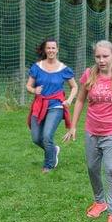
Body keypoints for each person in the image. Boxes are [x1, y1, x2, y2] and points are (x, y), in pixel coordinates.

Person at [63, 40, 112, 222]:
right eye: (98, 56)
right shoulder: (89, 74)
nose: (101, 60)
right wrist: (73, 126)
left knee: (111, 170)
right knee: (93, 168)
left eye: (105, 56)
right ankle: (99, 202)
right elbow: (79, 100)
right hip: (92, 130)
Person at [26, 38, 77, 172]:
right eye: (48, 48)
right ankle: (54, 150)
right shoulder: (37, 67)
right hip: (39, 104)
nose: (51, 50)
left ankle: (48, 165)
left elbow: (74, 87)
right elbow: (28, 86)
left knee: (47, 136)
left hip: (56, 106)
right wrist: (34, 90)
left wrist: (69, 100)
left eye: (53, 48)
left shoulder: (64, 69)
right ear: (45, 50)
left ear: (57, 50)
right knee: (36, 138)